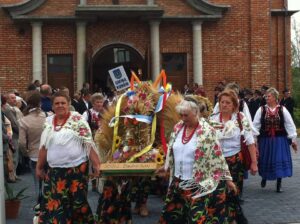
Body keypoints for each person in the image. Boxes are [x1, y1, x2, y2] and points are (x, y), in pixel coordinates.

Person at [157, 96, 236, 224]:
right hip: (178, 183)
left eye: (186, 115)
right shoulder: (178, 128)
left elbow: (218, 157)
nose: (183, 118)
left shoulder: (207, 132)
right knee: (171, 217)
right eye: (181, 115)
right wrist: (166, 166)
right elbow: (173, 150)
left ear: (196, 113)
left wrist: (228, 180)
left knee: (196, 219)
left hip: (198, 185)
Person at [36, 91, 101, 223]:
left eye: (63, 103)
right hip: (54, 172)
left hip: (77, 170)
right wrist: (39, 166)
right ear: (52, 106)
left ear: (69, 104)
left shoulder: (78, 120)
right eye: (57, 103)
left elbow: (88, 143)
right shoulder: (48, 122)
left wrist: (96, 165)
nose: (60, 105)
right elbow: (44, 146)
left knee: (77, 204)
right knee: (55, 205)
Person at [210, 90, 258, 223]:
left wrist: (254, 163)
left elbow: (250, 142)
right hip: (216, 162)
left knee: (233, 193)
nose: (224, 105)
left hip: (235, 161)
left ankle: (234, 219)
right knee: (217, 194)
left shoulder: (241, 118)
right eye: (222, 102)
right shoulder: (212, 119)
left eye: (227, 103)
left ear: (234, 105)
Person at [253, 87, 297, 192]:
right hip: (265, 140)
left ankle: (279, 183)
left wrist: (293, 138)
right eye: (266, 96)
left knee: (278, 159)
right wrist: (254, 138)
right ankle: (264, 177)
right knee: (265, 158)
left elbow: (289, 124)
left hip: (280, 140)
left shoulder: (282, 109)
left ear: (275, 97)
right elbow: (255, 125)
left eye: (269, 96)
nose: (267, 98)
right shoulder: (262, 109)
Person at [19, 91, 47, 196]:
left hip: (34, 154)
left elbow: (21, 142)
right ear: (40, 102)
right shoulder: (47, 117)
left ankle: (39, 205)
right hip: (49, 153)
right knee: (49, 182)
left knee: (37, 183)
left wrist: (26, 153)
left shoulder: (23, 120)